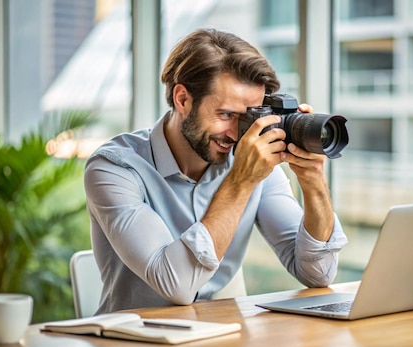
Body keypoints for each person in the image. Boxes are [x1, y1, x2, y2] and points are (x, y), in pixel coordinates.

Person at [84, 28, 348, 314]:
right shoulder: (113, 168)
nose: (237, 134)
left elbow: (318, 274)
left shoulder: (254, 161)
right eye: (226, 115)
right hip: (134, 341)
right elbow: (177, 285)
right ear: (182, 99)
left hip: (224, 338)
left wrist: (314, 183)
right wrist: (241, 182)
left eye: (249, 115)